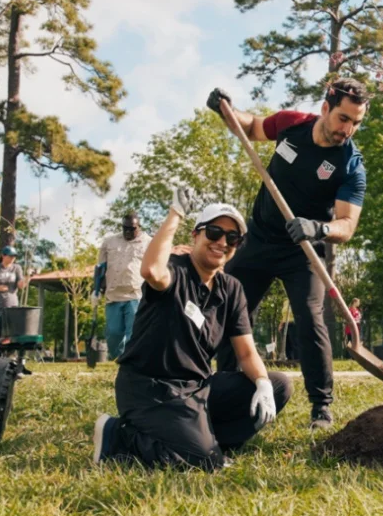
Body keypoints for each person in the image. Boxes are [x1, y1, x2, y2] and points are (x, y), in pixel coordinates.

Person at [206, 78, 368, 430]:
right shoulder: (291, 124)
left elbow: (347, 224)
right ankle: (225, 387)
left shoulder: (350, 165)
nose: (348, 129)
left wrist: (319, 228)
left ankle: (321, 407)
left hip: (304, 251)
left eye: (356, 122)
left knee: (310, 319)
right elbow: (250, 128)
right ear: (325, 108)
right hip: (260, 239)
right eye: (343, 118)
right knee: (230, 309)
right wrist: (226, 111)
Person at [92, 191, 292, 470]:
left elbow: (246, 353)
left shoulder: (231, 289)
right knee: (203, 463)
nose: (222, 242)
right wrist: (175, 213)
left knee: (280, 384)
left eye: (232, 238)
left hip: (197, 387)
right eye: (214, 232)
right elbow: (150, 270)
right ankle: (118, 437)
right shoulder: (176, 269)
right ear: (196, 235)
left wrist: (262, 384)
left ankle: (206, 440)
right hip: (151, 389)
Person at [94, 212, 153, 359]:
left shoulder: (149, 242)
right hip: (113, 295)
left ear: (138, 227)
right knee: (113, 334)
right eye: (125, 228)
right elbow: (100, 267)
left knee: (133, 332)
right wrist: (95, 290)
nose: (128, 231)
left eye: (131, 229)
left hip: (136, 294)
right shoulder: (109, 242)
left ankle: (129, 361)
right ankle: (117, 357)